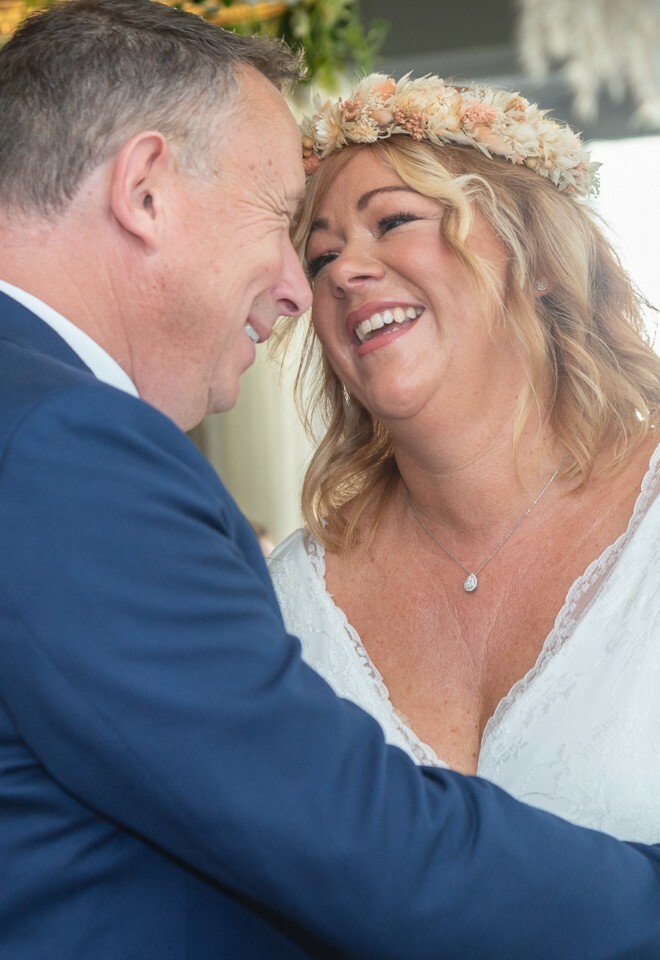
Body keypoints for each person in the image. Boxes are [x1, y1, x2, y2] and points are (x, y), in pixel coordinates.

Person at [2, 4, 660, 957]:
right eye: (299, 237)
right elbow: (352, 840)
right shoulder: (76, 452)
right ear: (144, 192)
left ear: (535, 255)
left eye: (395, 220)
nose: (313, 283)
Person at [269, 72, 660, 842]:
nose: (345, 270)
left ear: (537, 257)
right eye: (319, 259)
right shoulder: (288, 600)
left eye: (394, 221)